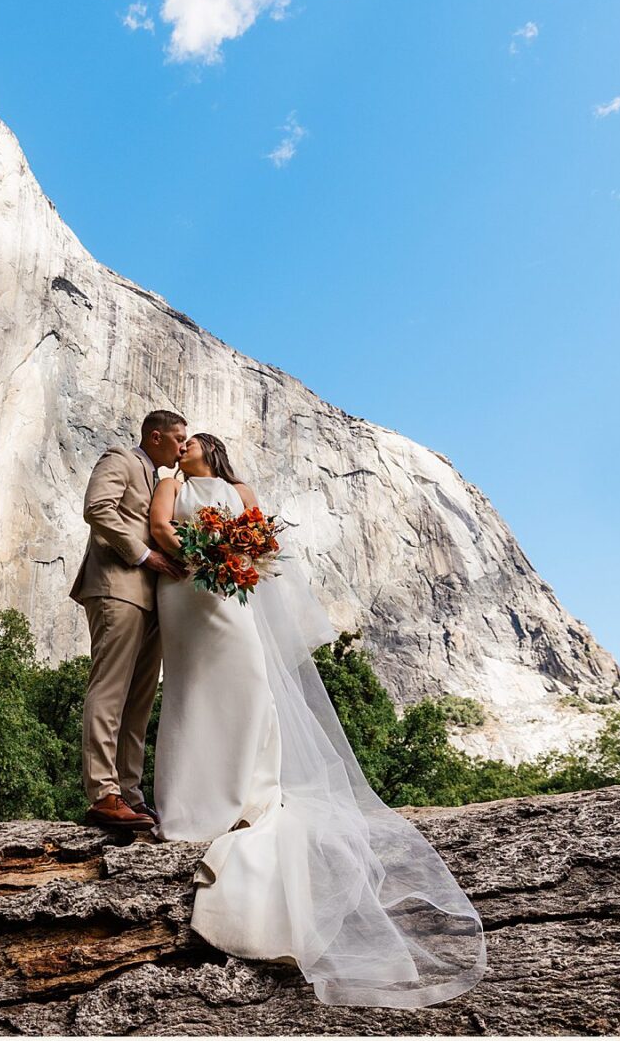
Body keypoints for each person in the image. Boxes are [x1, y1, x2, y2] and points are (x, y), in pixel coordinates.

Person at [147, 431, 487, 1008]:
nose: (184, 448)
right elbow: (161, 529)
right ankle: (189, 800)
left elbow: (263, 543)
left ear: (212, 449)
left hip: (227, 593)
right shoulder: (169, 485)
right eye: (181, 442)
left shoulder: (239, 489)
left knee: (250, 683)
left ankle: (245, 791)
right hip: (185, 590)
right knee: (189, 691)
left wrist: (233, 560)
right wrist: (202, 558)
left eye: (193, 441)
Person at [69, 410, 189, 831]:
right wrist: (144, 555)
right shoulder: (120, 458)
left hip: (155, 600)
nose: (182, 447)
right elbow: (97, 509)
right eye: (178, 439)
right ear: (155, 437)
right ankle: (103, 794)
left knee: (139, 701)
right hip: (116, 587)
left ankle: (130, 793)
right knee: (110, 689)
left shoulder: (163, 482)